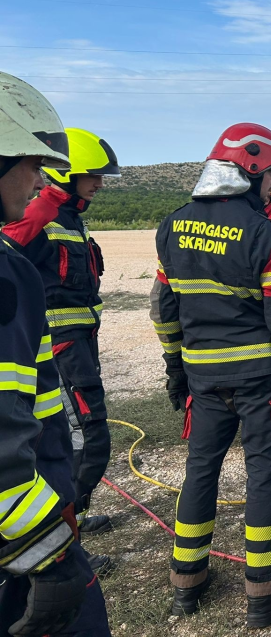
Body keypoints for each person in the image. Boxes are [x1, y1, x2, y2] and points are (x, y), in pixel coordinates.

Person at [151, 123, 271, 628]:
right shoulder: (268, 233)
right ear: (248, 172)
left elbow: (163, 310)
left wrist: (174, 367)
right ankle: (265, 595)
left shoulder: (172, 225)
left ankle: (187, 582)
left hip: (202, 380)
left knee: (199, 472)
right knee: (264, 478)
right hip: (262, 383)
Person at [0, 72, 110, 636]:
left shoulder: (69, 220)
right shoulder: (38, 220)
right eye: (93, 178)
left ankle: (71, 529)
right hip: (62, 348)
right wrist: (53, 554)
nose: (98, 186)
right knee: (95, 440)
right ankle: (69, 532)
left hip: (71, 342)